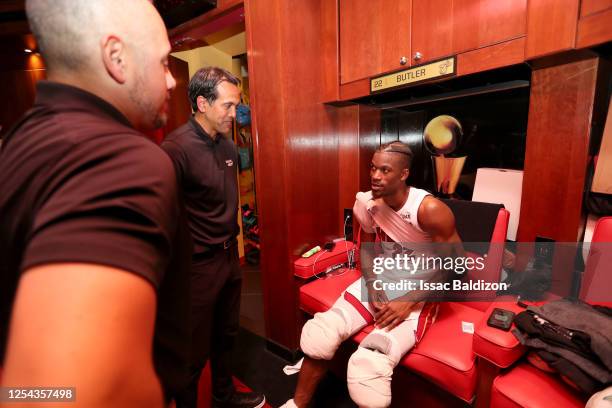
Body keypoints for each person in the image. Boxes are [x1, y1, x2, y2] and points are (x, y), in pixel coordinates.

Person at [0, 1, 191, 407]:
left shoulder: (23, 140)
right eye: (162, 63)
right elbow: (58, 397)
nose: (172, 81)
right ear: (116, 58)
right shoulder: (121, 162)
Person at [282, 141, 463, 408]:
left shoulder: (428, 210)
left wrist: (408, 300)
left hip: (419, 291)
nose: (375, 176)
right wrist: (371, 280)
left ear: (403, 174)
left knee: (369, 365)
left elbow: (457, 269)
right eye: (373, 168)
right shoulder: (367, 203)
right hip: (380, 280)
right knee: (321, 334)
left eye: (385, 170)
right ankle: (296, 405)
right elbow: (366, 248)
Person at [161, 67, 265, 408]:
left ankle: (224, 395)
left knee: (226, 335)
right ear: (202, 103)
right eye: (228, 106)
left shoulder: (228, 148)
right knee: (191, 351)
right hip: (195, 267)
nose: (235, 115)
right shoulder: (174, 149)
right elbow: (163, 215)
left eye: (237, 106)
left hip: (228, 258)